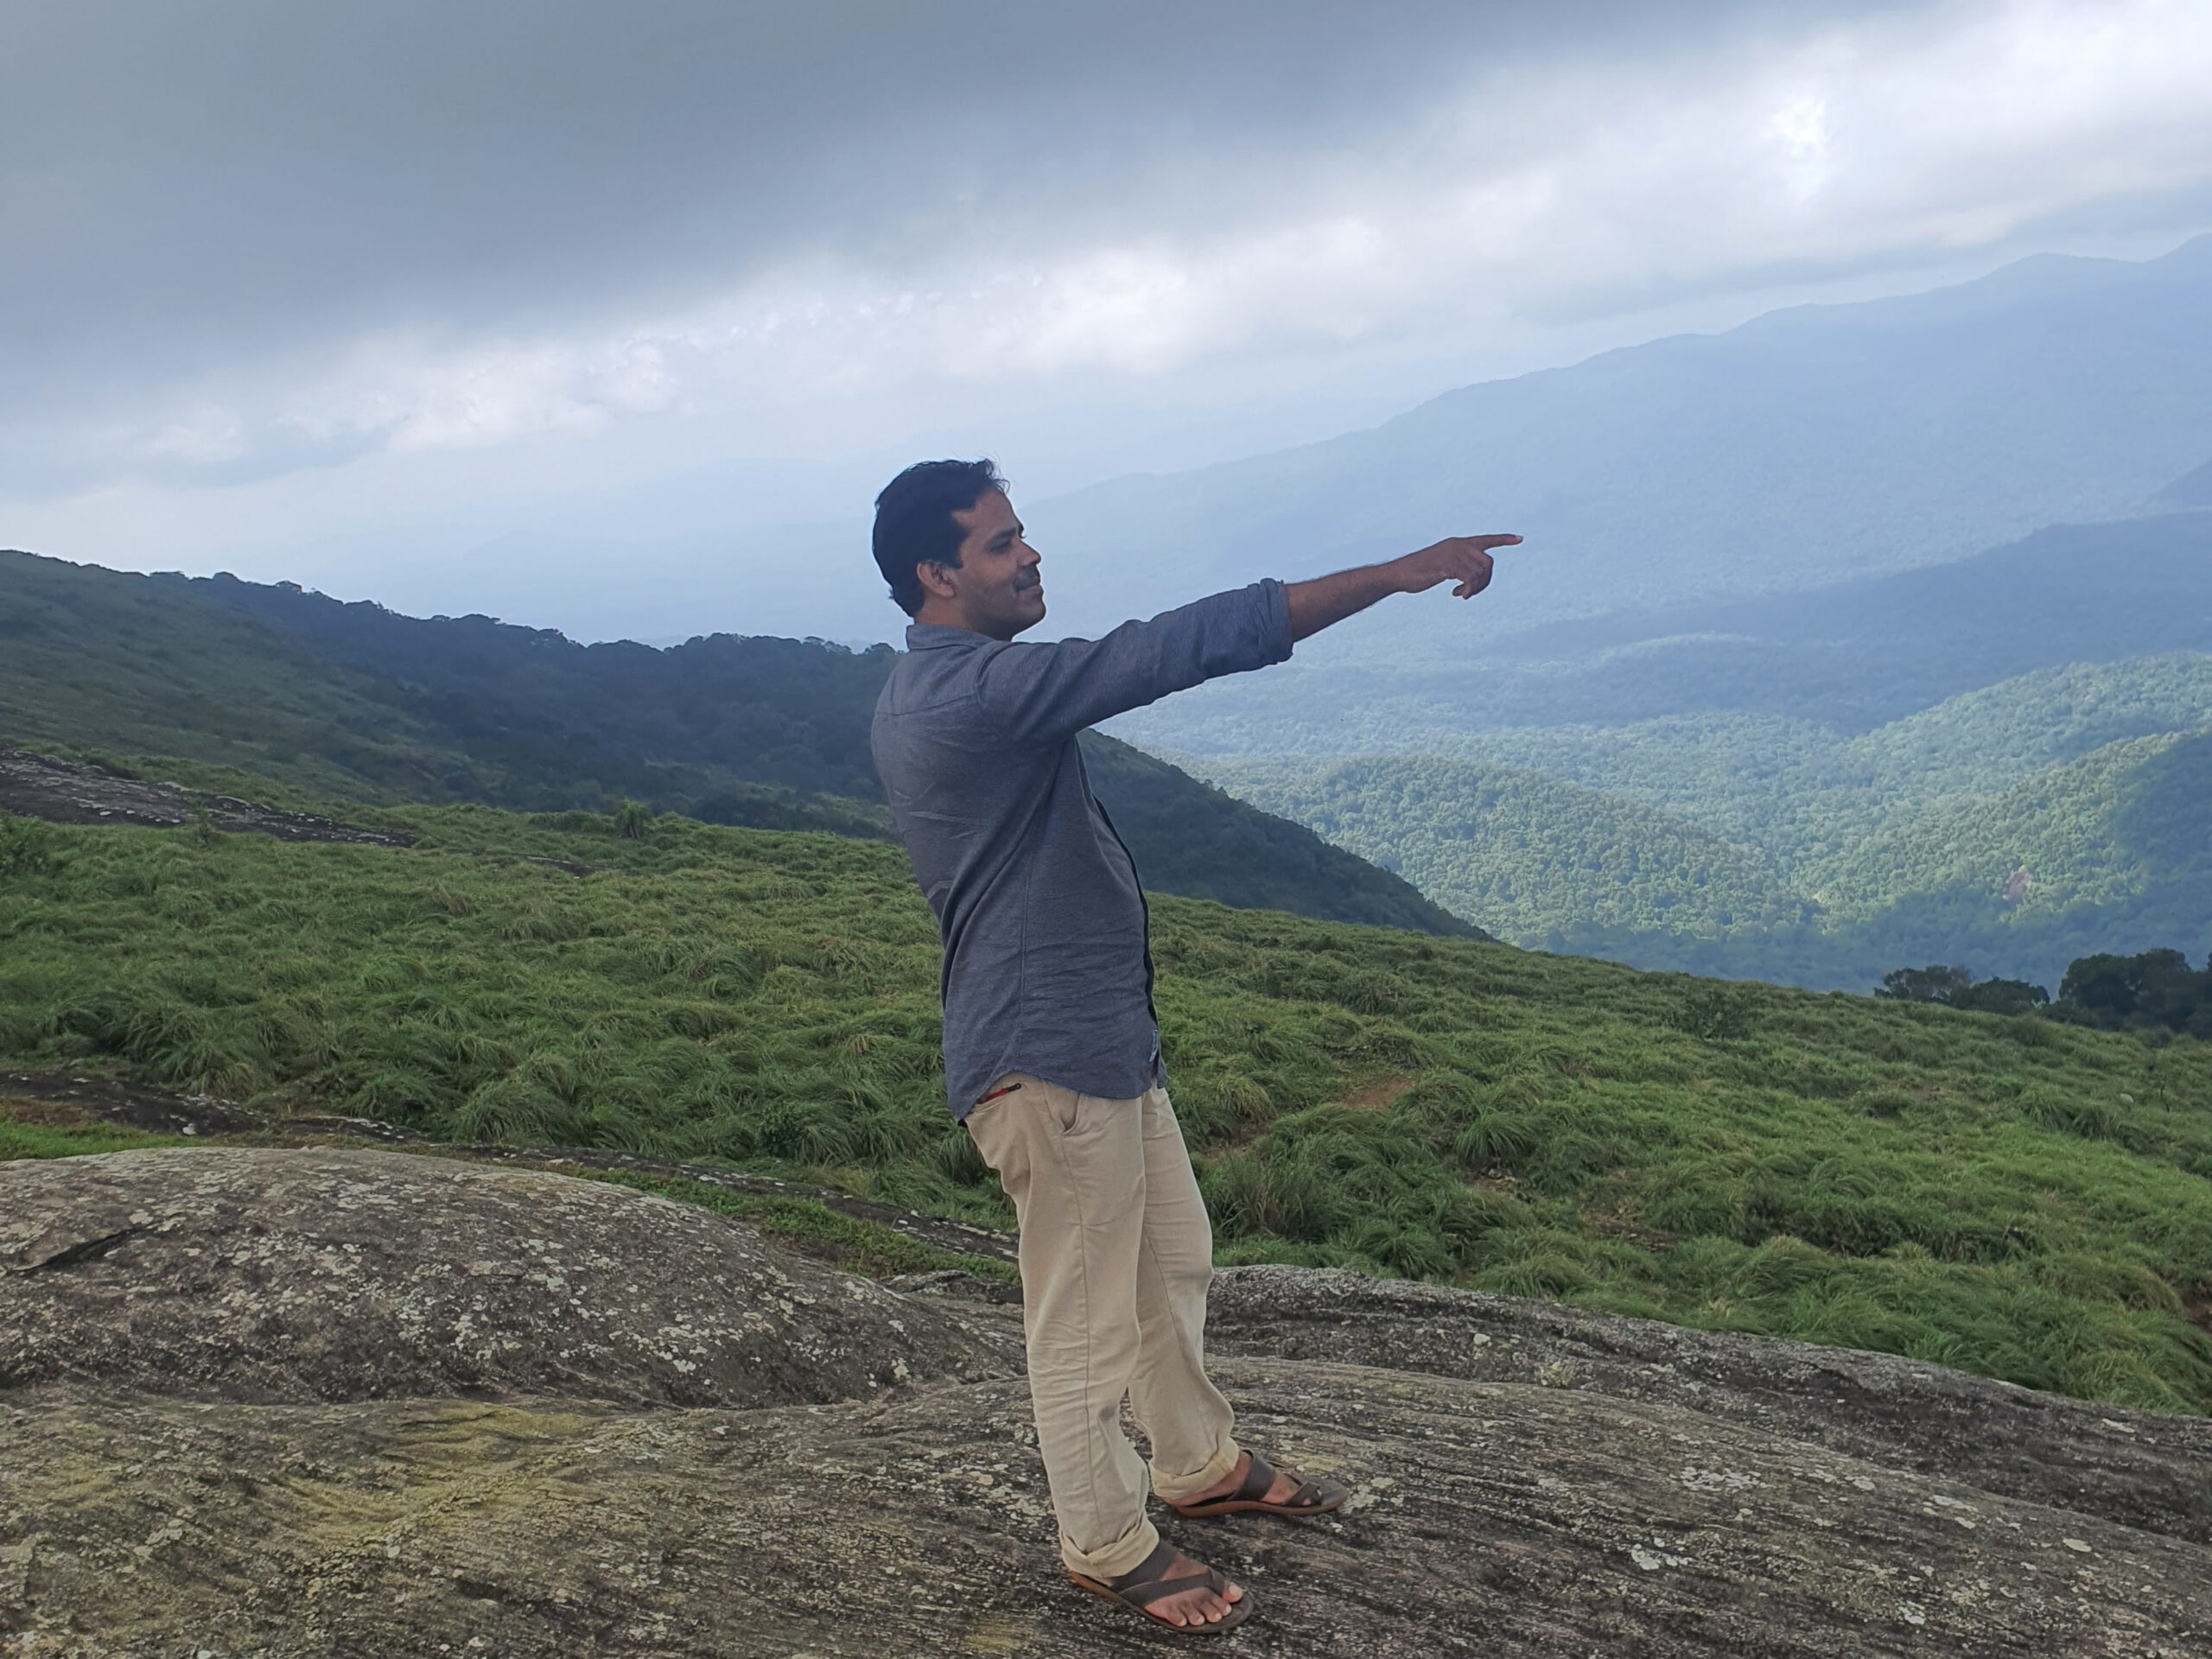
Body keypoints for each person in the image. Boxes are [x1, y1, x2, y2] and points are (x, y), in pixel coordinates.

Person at [868, 457, 1520, 1637]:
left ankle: (1194, 1462)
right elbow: (1171, 647)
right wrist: (1393, 575)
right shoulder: (970, 694)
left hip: (1101, 1043)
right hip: (1047, 1059)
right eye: (1003, 542)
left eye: (1025, 535)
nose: (1030, 557)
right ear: (936, 574)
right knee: (1084, 1318)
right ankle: (1105, 1541)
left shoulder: (955, 685)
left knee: (1173, 1255)